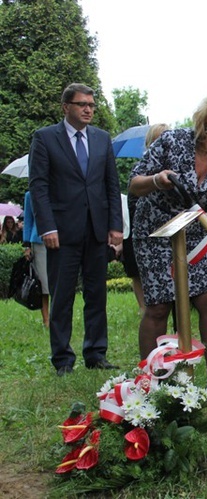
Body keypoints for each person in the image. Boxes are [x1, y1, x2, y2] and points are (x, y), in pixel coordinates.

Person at [129, 90, 207, 386]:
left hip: (199, 233)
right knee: (159, 305)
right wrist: (158, 180)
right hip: (157, 231)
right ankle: (151, 381)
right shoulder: (172, 142)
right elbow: (134, 183)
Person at [28, 83, 123, 376]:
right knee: (62, 296)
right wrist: (47, 226)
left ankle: (96, 353)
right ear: (66, 107)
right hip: (62, 232)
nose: (88, 110)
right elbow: (39, 185)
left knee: (97, 294)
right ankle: (63, 360)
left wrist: (115, 226)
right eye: (82, 104)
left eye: (92, 105)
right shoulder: (45, 138)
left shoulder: (101, 138)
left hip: (96, 229)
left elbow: (111, 183)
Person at [122, 123, 169, 316]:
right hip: (142, 229)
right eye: (159, 138)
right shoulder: (141, 170)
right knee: (138, 273)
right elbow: (133, 201)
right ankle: (144, 307)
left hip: (169, 231)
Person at [21, 191, 50, 327]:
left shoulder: (60, 187)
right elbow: (28, 220)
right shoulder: (30, 195)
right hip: (39, 241)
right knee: (43, 283)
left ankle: (59, 316)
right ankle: (46, 319)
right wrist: (26, 245)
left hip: (61, 239)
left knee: (59, 282)